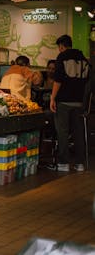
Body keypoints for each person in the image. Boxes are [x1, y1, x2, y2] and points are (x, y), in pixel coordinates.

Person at [50, 35, 90, 172]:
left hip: (64, 101)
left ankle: (64, 163)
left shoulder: (62, 57)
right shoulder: (84, 60)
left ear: (61, 46)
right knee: (78, 133)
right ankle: (80, 163)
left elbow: (58, 80)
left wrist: (52, 98)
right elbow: (88, 81)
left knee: (63, 132)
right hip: (79, 102)